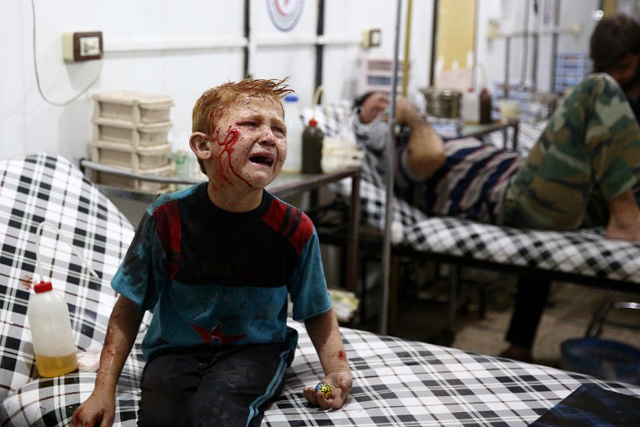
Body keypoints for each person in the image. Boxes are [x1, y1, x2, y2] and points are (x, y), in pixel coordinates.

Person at [353, 14, 640, 363]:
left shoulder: (428, 133)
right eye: (376, 107)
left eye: (389, 99)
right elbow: (431, 156)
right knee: (597, 88)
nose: (387, 104)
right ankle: (625, 217)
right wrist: (409, 115)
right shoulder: (395, 157)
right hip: (519, 199)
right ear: (365, 126)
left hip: (544, 186)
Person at [71, 78, 352, 427]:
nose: (268, 136)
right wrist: (103, 391)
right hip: (173, 351)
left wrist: (336, 372)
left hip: (256, 352)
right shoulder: (166, 218)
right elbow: (129, 307)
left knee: (215, 415)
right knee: (161, 420)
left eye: (278, 129)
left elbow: (317, 310)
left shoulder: (295, 229)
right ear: (204, 146)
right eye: (250, 124)